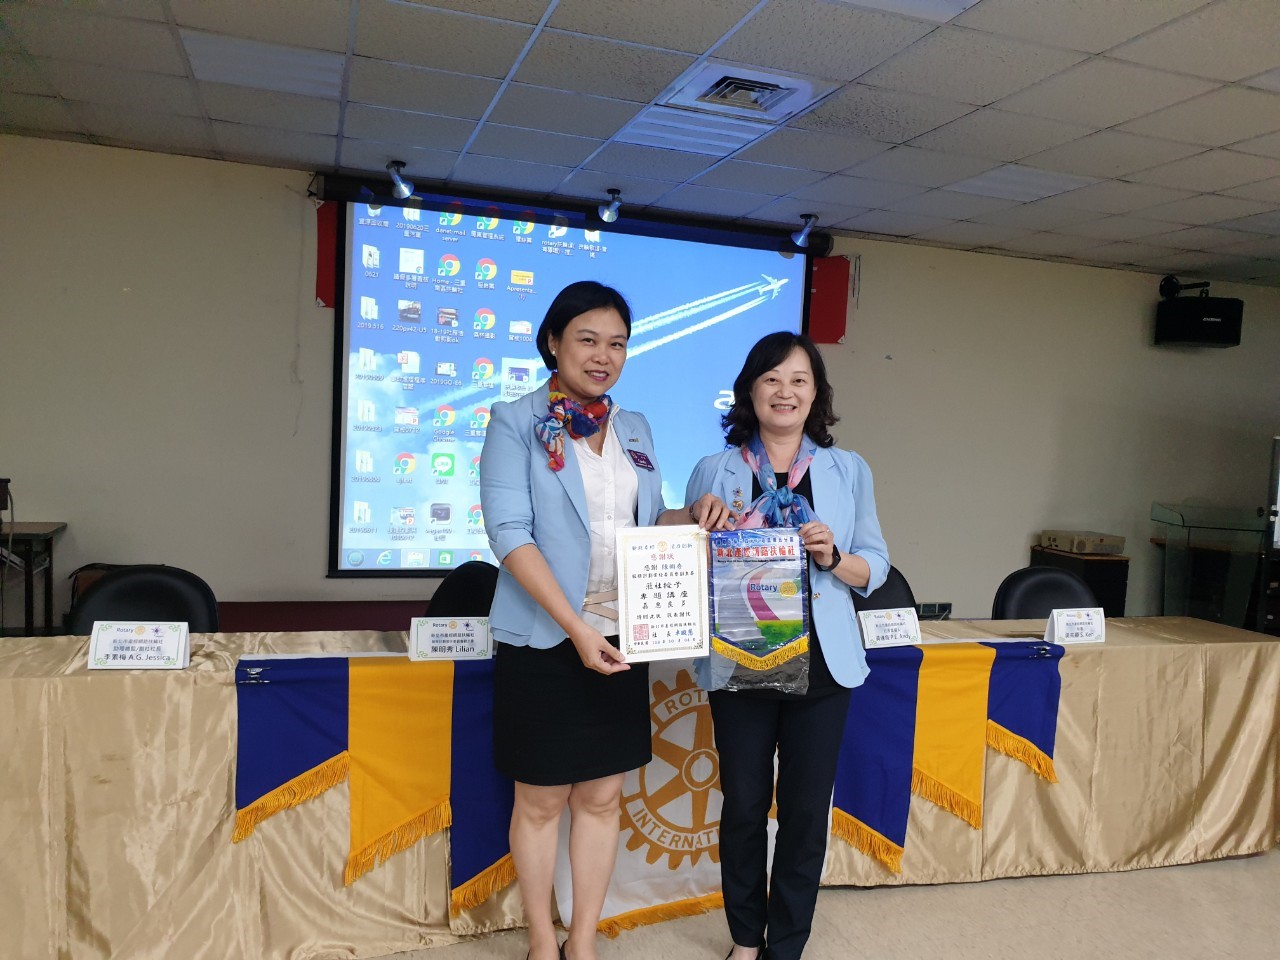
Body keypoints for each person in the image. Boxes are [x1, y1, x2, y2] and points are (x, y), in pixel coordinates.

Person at [481, 280, 727, 960]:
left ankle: (582, 942)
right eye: (587, 339)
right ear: (553, 342)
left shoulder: (634, 426)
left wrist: (691, 515)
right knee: (539, 804)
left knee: (600, 797)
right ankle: (542, 940)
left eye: (617, 344)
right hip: (545, 639)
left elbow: (643, 523)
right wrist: (577, 628)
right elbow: (509, 533)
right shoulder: (514, 420)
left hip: (622, 634)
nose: (603, 356)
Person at [684, 331, 889, 960]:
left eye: (799, 380)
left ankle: (787, 945)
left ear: (815, 393)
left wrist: (834, 557)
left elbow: (876, 565)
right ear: (750, 389)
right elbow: (679, 556)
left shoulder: (847, 470)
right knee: (744, 806)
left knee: (804, 812)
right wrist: (694, 520)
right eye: (771, 378)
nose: (785, 391)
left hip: (823, 664)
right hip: (741, 653)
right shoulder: (715, 469)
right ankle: (746, 939)